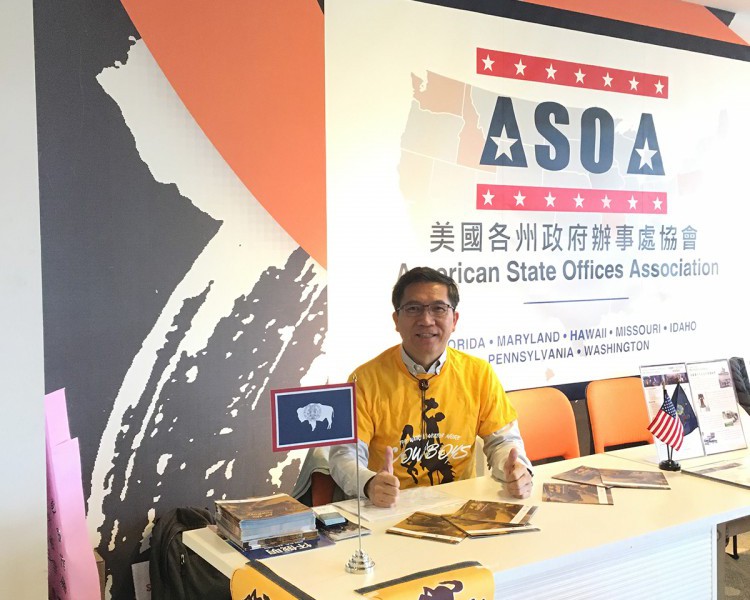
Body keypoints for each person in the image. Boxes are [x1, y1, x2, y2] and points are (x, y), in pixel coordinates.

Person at [329, 267, 533, 508]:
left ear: (454, 320)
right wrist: (369, 483)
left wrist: (515, 468)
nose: (426, 320)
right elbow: (345, 455)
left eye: (438, 308)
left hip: (459, 505)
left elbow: (502, 442)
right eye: (413, 309)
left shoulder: (479, 373)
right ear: (396, 320)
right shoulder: (363, 380)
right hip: (389, 508)